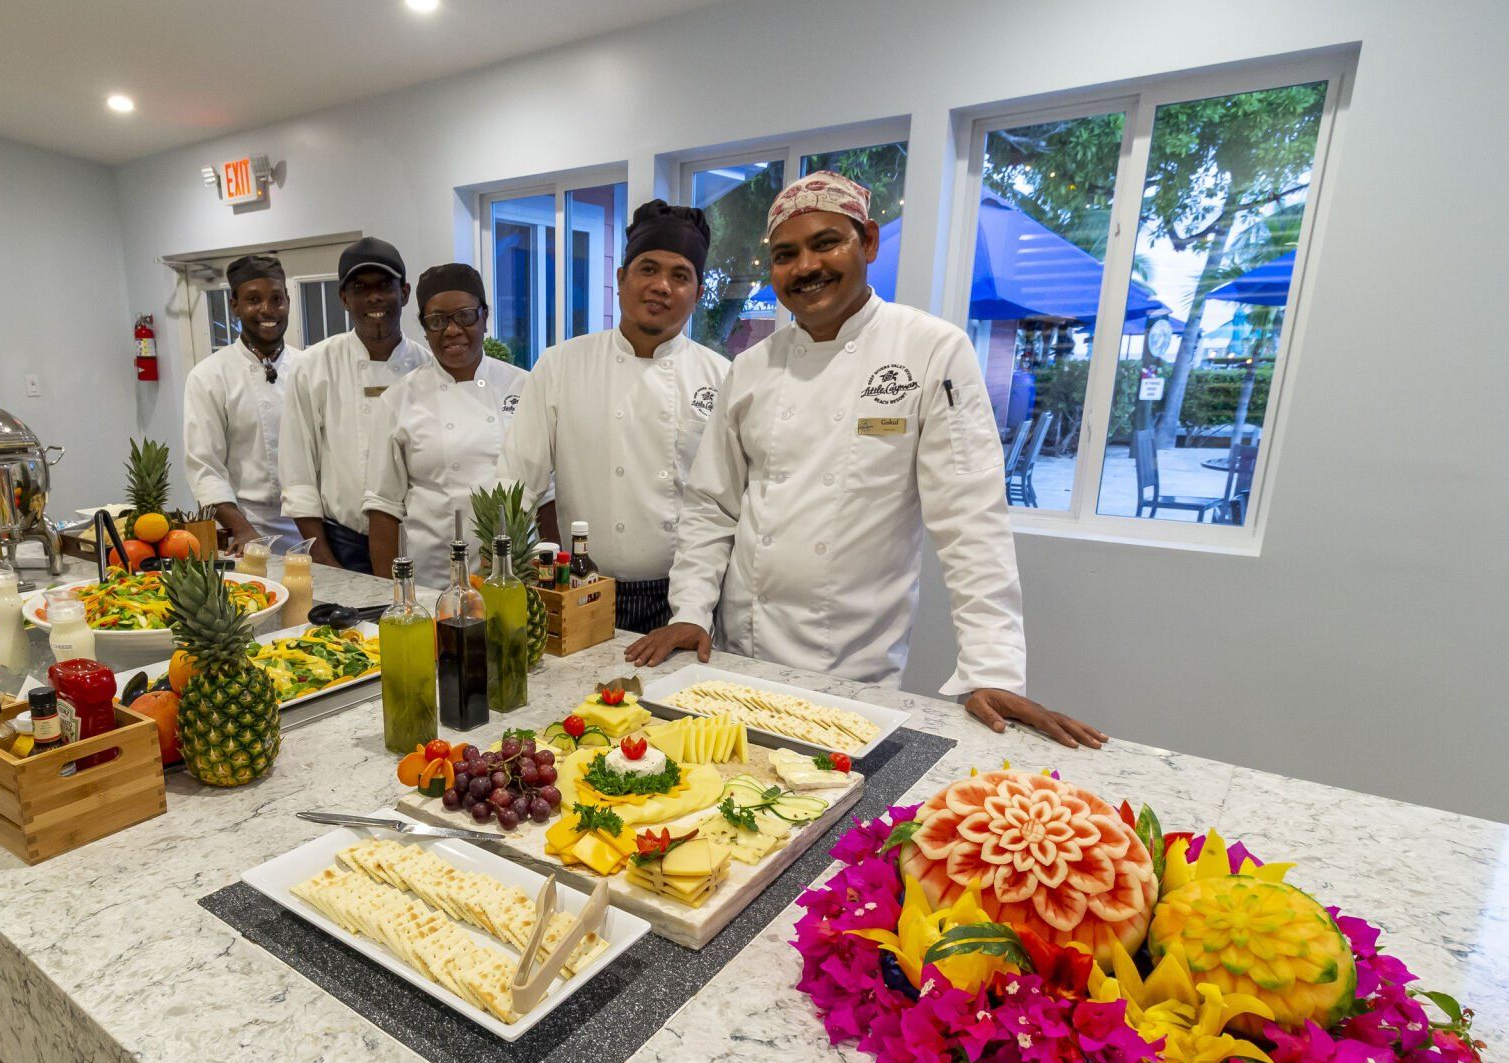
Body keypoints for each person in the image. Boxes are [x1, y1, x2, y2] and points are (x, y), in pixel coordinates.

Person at [627, 172, 1104, 748]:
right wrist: (691, 612)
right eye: (785, 254)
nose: (806, 266)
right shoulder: (751, 368)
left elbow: (971, 521)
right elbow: (712, 506)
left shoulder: (931, 350)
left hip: (850, 669)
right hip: (735, 654)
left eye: (826, 243)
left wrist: (992, 670)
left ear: (869, 242)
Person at [497, 199, 727, 632]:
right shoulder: (560, 365)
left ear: (697, 294)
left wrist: (696, 610)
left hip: (686, 601)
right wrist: (502, 573)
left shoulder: (722, 378)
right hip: (580, 587)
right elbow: (514, 483)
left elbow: (723, 507)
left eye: (680, 276)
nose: (661, 286)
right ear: (620, 280)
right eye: (648, 269)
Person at [365, 264, 528, 580]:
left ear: (485, 318)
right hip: (434, 578)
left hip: (518, 579)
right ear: (425, 329)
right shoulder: (399, 399)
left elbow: (544, 493)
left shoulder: (523, 386)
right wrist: (388, 595)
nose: (452, 330)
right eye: (437, 321)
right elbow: (383, 508)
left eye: (465, 316)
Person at [280, 237, 432, 574]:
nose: (374, 297)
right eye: (360, 288)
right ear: (344, 298)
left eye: (384, 286)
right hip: (340, 545)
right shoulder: (313, 366)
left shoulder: (428, 368)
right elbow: (298, 474)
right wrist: (323, 560)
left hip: (419, 545)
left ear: (404, 293)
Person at [182, 253, 296, 551]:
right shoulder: (208, 376)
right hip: (246, 528)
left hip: (315, 530)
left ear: (288, 301)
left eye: (276, 299)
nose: (267, 309)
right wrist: (244, 531)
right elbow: (205, 468)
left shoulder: (309, 368)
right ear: (235, 305)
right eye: (253, 299)